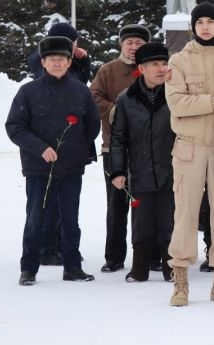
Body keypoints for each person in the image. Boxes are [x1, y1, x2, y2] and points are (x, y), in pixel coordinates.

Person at [166, 2, 214, 307]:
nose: (205, 27)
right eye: (200, 22)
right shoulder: (180, 61)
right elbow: (178, 105)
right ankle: (181, 283)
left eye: (211, 21)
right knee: (185, 213)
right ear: (193, 26)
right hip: (189, 147)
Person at [6, 36, 100, 285]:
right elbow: (15, 127)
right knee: (35, 218)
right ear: (43, 62)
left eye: (61, 59)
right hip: (38, 168)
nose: (57, 63)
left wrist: (76, 150)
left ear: (70, 63)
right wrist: (40, 149)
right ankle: (29, 269)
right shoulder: (28, 91)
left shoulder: (80, 91)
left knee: (71, 219)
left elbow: (92, 125)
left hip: (71, 167)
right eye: (51, 59)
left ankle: (72, 267)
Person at [109, 42, 176, 282]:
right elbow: (118, 138)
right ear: (141, 68)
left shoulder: (175, 94)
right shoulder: (127, 99)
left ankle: (172, 269)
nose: (161, 69)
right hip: (139, 171)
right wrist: (117, 170)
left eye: (164, 63)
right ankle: (139, 269)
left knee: (170, 221)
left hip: (171, 170)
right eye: (154, 64)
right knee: (141, 221)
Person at [27, 22, 91, 266]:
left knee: (67, 205)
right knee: (47, 203)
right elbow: (38, 65)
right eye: (66, 42)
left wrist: (83, 61)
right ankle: (48, 247)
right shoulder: (42, 59)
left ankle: (63, 248)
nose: (70, 48)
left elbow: (82, 82)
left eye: (73, 43)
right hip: (46, 144)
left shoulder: (72, 61)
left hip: (71, 143)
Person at [90, 24, 151, 273]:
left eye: (139, 43)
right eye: (130, 42)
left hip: (148, 150)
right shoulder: (108, 70)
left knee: (147, 203)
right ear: (121, 45)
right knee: (116, 205)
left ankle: (150, 255)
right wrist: (116, 111)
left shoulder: (154, 68)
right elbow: (93, 97)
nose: (134, 47)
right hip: (113, 148)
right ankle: (114, 256)